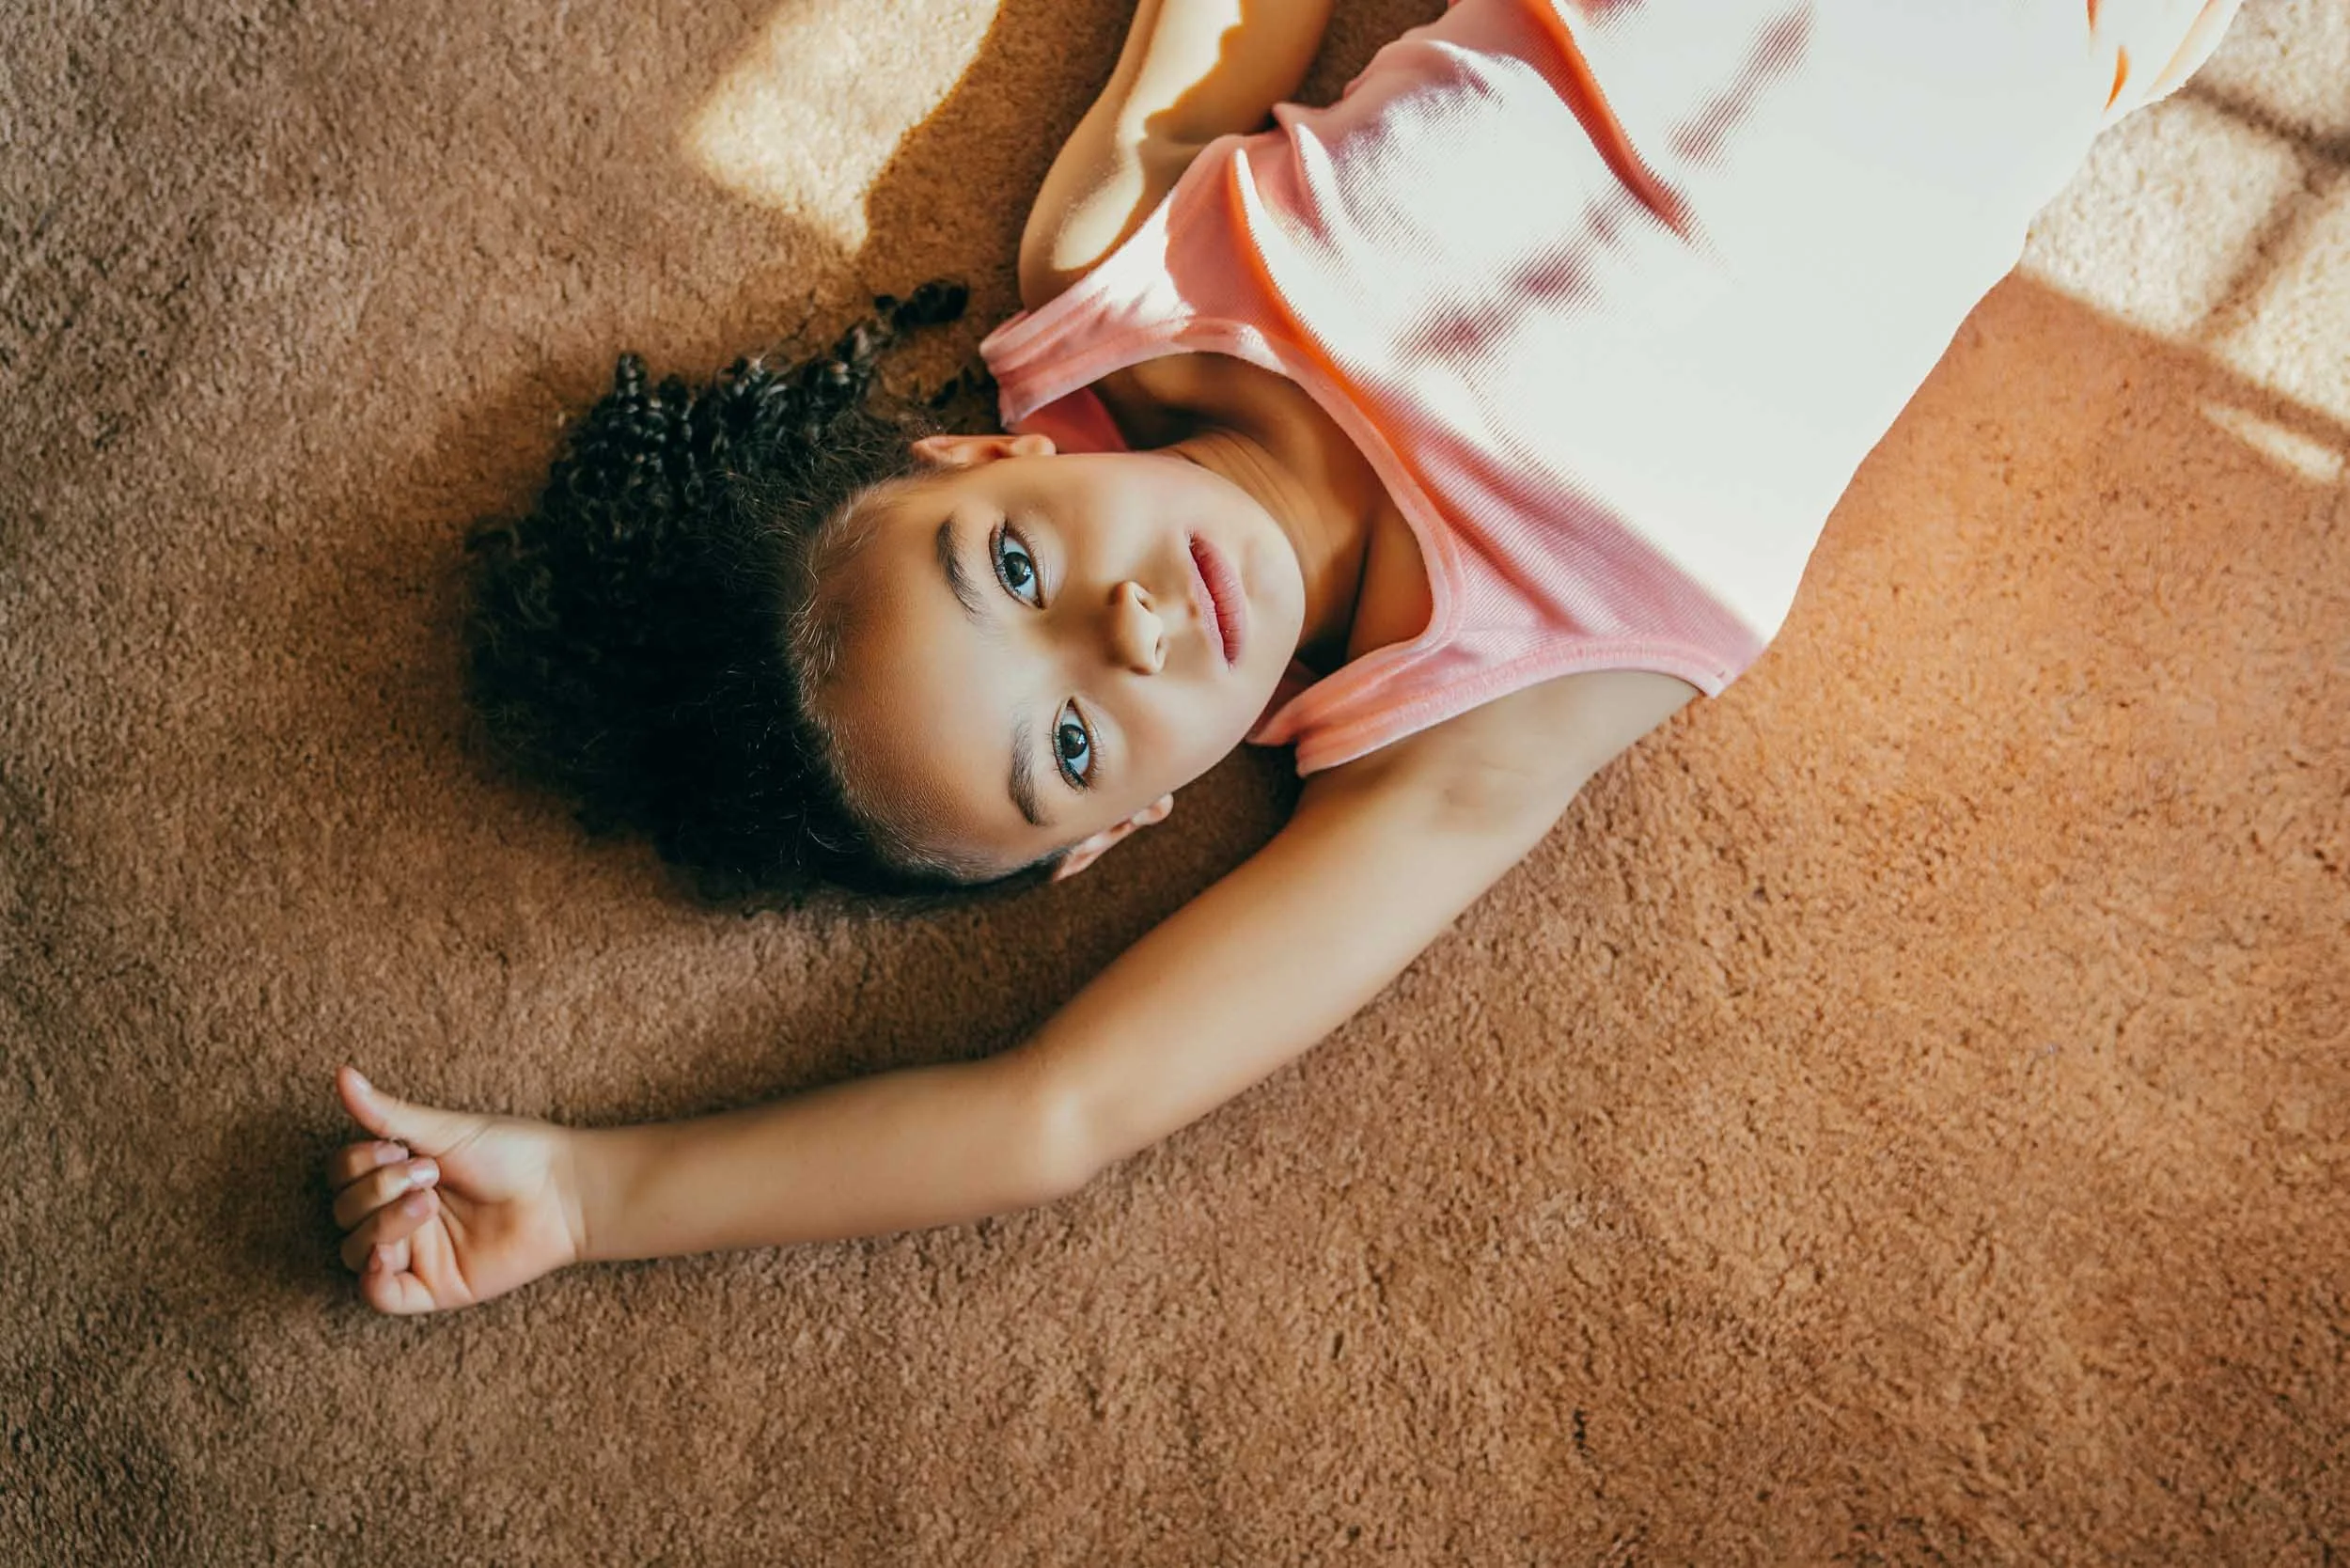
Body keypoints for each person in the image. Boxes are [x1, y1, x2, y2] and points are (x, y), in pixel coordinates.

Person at [324, 0, 2246, 1314]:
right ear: (1119, 834)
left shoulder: (1126, 271)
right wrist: (591, 1196)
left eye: (1015, 566)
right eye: (1075, 747)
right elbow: (1053, 1113)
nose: (1133, 630)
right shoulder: (1465, 732)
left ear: (981, 458)